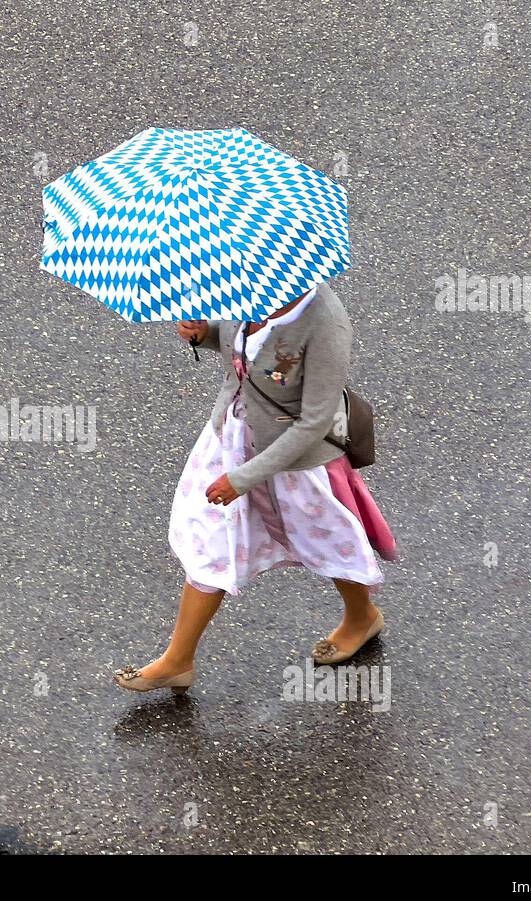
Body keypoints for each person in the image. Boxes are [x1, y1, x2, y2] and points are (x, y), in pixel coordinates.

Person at [114, 282, 398, 694]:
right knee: (211, 542)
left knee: (329, 543)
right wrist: (205, 334)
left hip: (296, 462)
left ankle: (362, 617)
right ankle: (178, 659)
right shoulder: (245, 288)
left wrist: (243, 479)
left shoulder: (325, 323)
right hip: (233, 440)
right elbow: (239, 350)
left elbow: (315, 421)